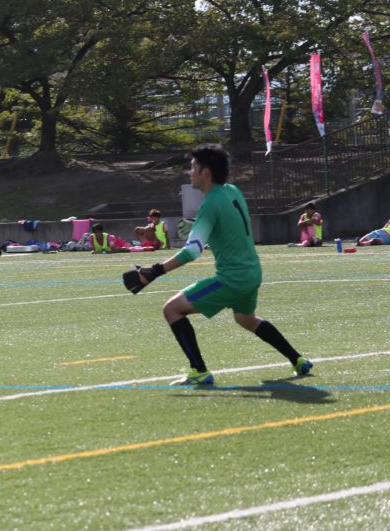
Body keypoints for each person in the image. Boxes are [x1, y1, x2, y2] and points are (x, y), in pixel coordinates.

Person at [122, 144, 312, 386]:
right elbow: (227, 225)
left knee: (171, 310)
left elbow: (192, 251)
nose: (190, 173)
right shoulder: (232, 191)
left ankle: (199, 371)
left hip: (232, 278)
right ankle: (297, 359)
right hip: (252, 273)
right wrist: (203, 227)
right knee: (246, 319)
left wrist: (155, 271)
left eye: (193, 168)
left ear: (206, 172)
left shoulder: (210, 204)